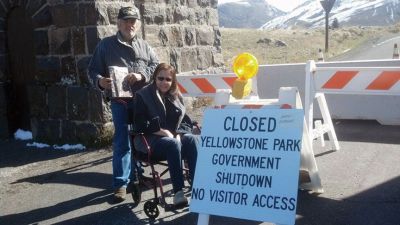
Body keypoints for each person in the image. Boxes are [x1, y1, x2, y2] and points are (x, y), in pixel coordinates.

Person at [88, 5, 159, 203]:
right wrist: (100, 81)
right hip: (119, 102)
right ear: (118, 23)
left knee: (142, 138)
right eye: (127, 20)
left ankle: (138, 174)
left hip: (142, 102)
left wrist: (141, 75)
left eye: (134, 21)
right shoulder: (106, 45)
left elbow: (156, 66)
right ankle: (120, 184)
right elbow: (92, 70)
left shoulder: (145, 46)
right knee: (122, 141)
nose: (131, 24)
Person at [133, 63, 198, 207]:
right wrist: (163, 132)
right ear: (154, 78)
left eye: (168, 79)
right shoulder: (143, 95)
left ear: (173, 81)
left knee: (191, 139)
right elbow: (139, 124)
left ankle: (198, 186)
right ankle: (178, 192)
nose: (164, 82)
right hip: (150, 140)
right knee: (173, 143)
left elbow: (184, 119)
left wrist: (180, 133)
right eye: (160, 78)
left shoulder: (175, 94)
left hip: (172, 138)